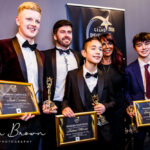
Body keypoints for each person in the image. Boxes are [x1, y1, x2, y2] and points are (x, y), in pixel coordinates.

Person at [0, 2, 44, 150]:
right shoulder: (2, 47)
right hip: (9, 123)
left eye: (37, 21)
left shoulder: (41, 55)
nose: (34, 24)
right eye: (29, 19)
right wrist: (9, 113)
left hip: (36, 122)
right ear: (18, 20)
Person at [62, 37, 117, 150]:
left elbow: (114, 102)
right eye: (93, 48)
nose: (98, 52)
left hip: (103, 133)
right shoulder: (72, 75)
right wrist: (65, 107)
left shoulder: (106, 77)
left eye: (100, 49)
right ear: (84, 53)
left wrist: (105, 107)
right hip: (80, 131)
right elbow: (65, 99)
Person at [42, 20, 82, 150]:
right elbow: (39, 82)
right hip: (53, 107)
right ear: (55, 36)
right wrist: (45, 102)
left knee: (74, 143)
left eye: (69, 32)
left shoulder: (79, 56)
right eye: (62, 32)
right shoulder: (44, 55)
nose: (66, 35)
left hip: (75, 108)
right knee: (52, 144)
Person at [98, 33, 126, 150]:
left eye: (109, 43)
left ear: (113, 45)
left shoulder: (120, 64)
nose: (107, 47)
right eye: (103, 44)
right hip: (101, 112)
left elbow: (126, 89)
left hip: (118, 112)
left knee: (117, 143)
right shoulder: (95, 65)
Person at [125, 32, 150, 150]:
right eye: (139, 45)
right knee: (139, 145)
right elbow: (127, 92)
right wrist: (130, 106)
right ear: (135, 48)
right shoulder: (129, 69)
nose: (144, 47)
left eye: (147, 43)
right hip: (139, 115)